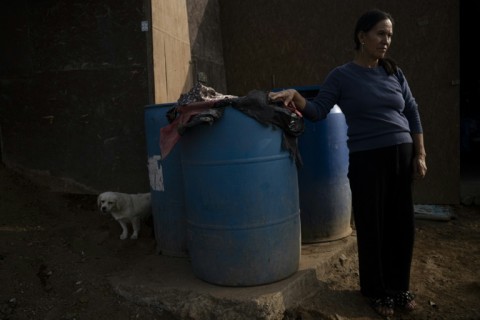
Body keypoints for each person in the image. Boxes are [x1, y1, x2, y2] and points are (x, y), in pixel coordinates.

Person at [268, 8, 427, 318]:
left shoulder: (394, 72)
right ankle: (375, 290)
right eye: (381, 33)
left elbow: (412, 111)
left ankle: (399, 287)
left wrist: (420, 154)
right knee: (373, 226)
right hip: (368, 158)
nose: (386, 41)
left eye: (390, 35)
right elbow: (317, 111)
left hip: (402, 154)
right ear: (361, 36)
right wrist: (295, 97)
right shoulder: (341, 76)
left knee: (402, 227)